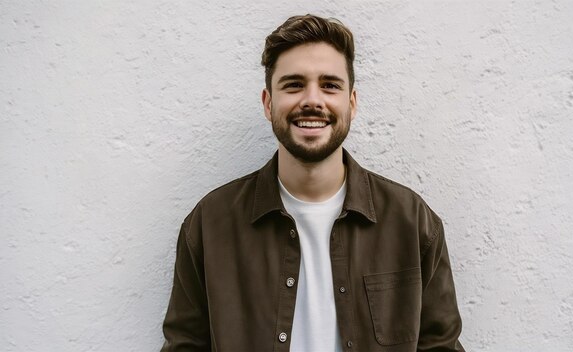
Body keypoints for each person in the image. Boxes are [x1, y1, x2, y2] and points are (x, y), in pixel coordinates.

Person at [161, 14, 464, 352]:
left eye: (330, 85)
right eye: (293, 84)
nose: (312, 100)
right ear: (268, 102)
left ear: (351, 102)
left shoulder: (411, 222)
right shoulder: (210, 224)